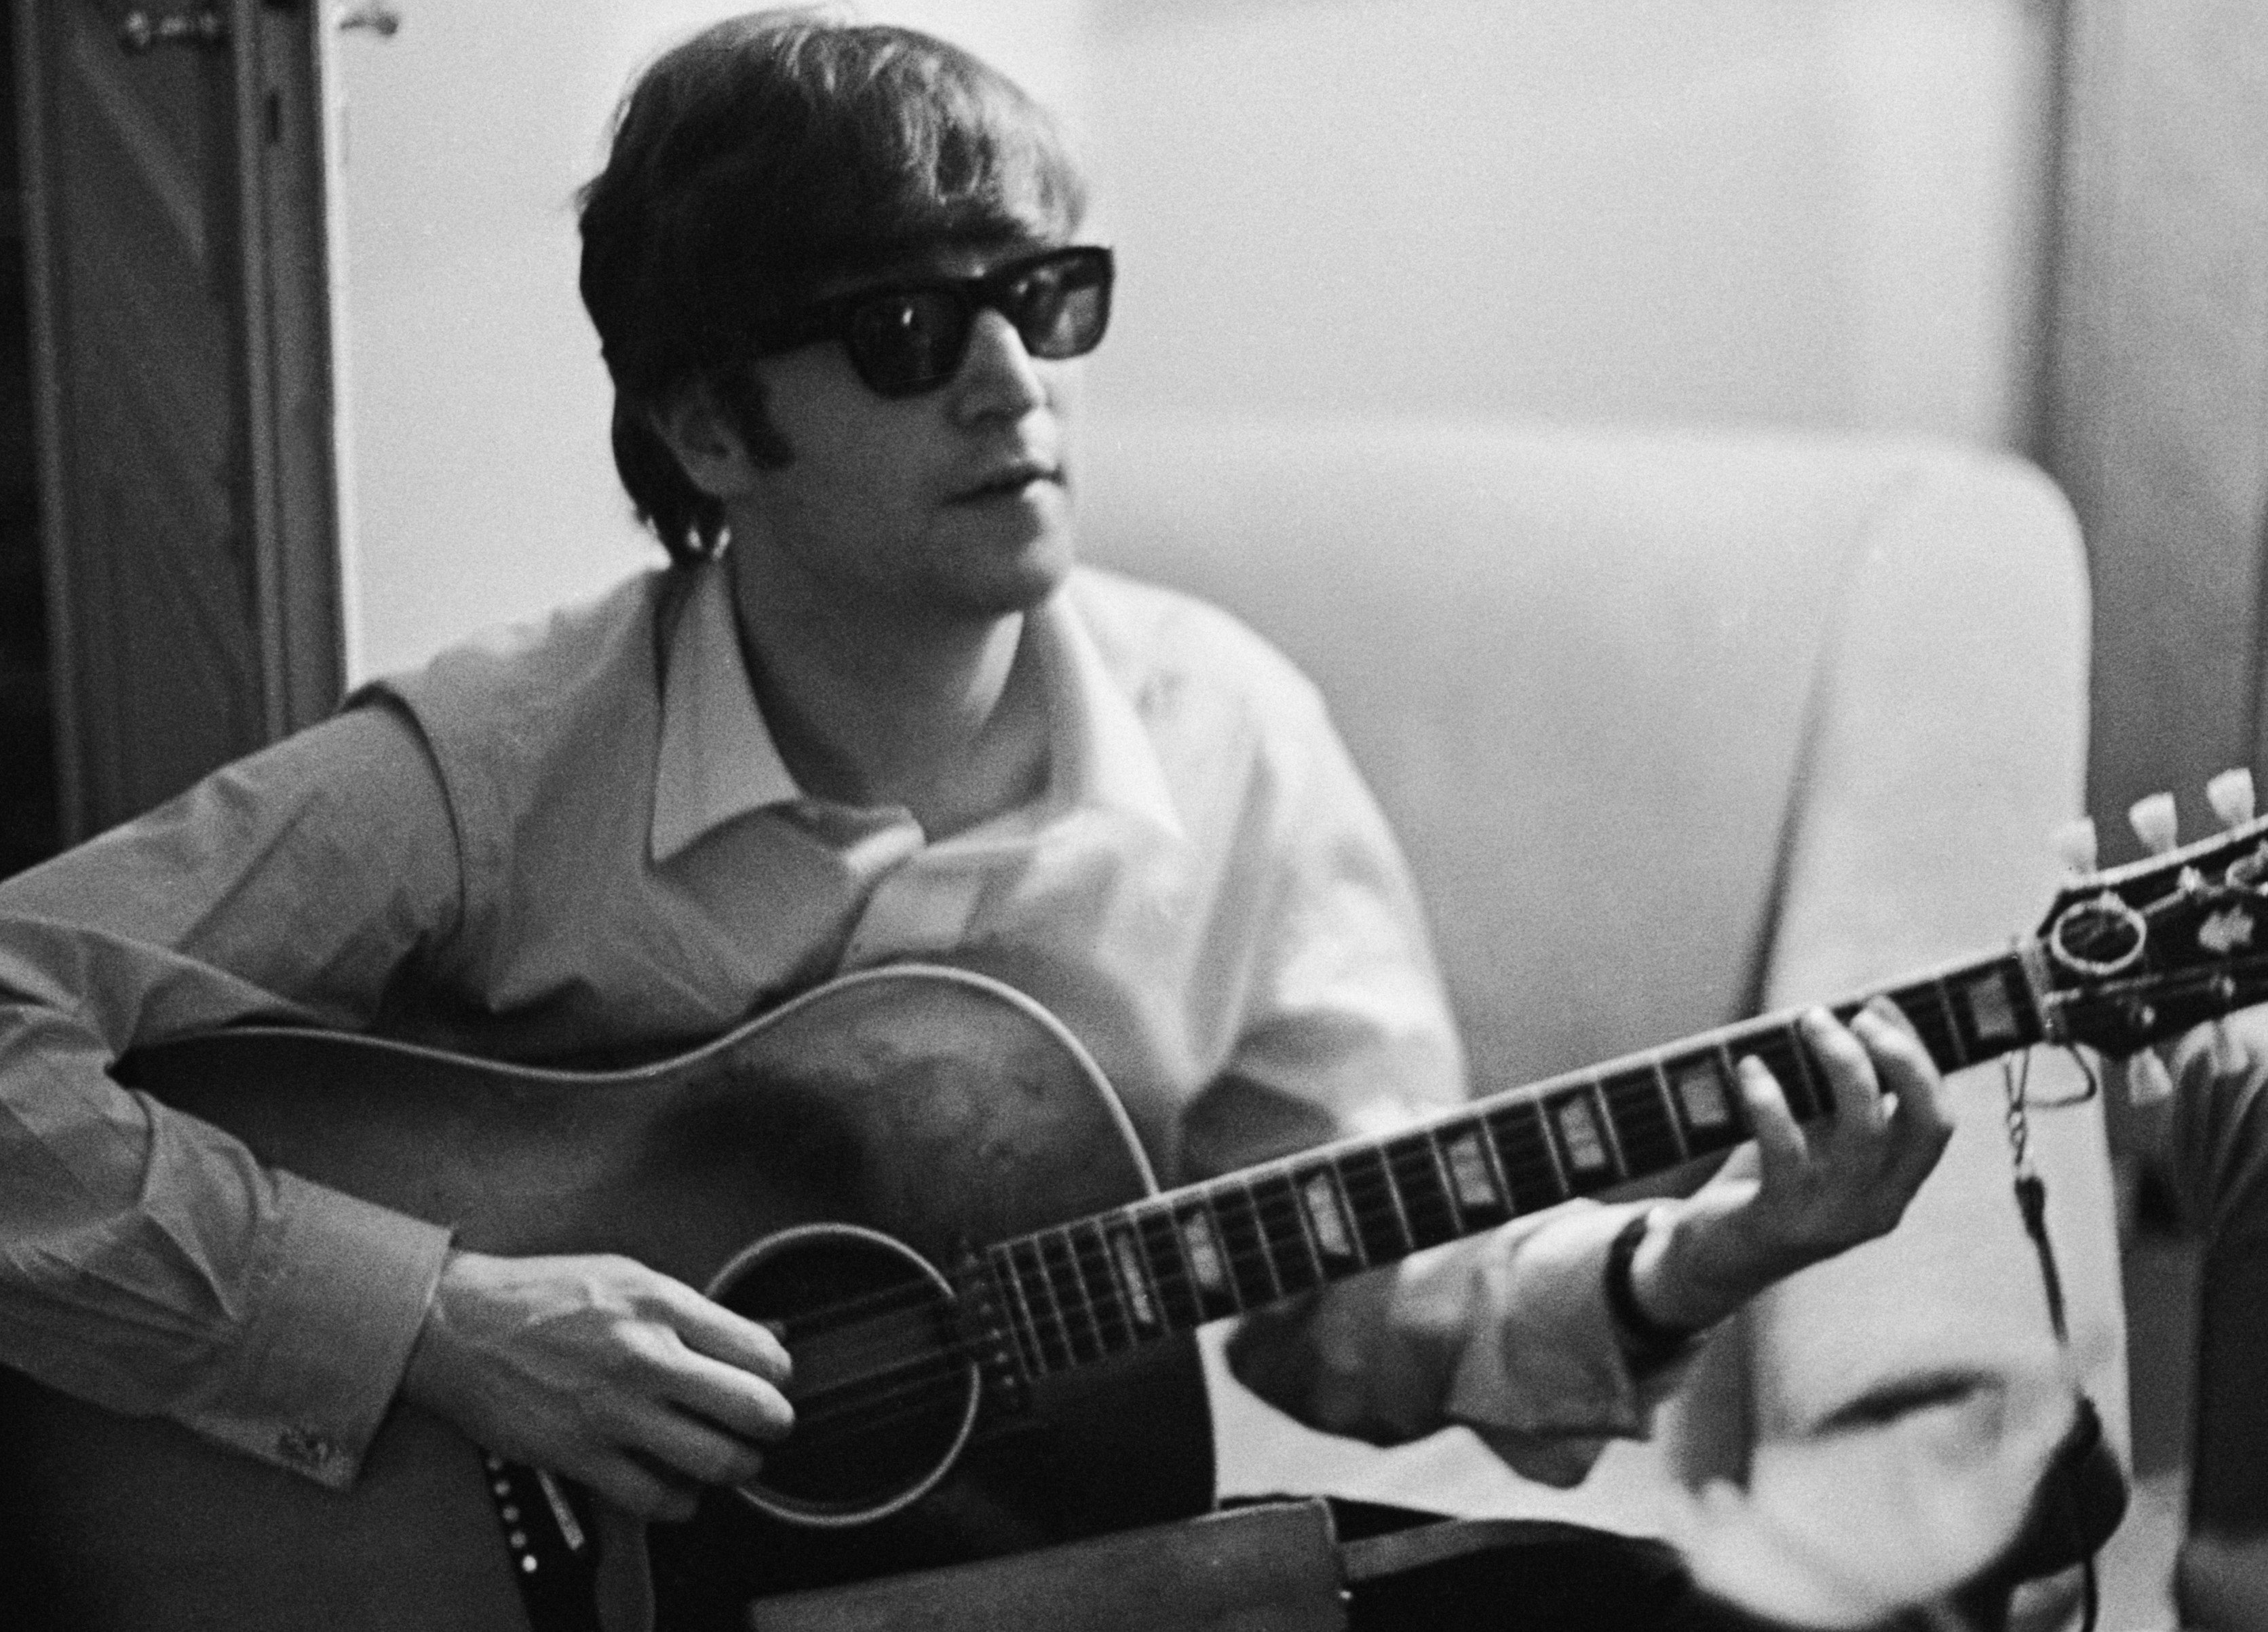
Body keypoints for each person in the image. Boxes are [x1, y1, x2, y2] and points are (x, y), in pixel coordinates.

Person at [0, 12, 1955, 1629]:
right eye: (908, 332)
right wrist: (439, 1319)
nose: (1017, 384)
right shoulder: (488, 766)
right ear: (705, 430)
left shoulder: (1229, 739)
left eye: (1044, 298)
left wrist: (1693, 1260)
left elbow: (1351, 1307)